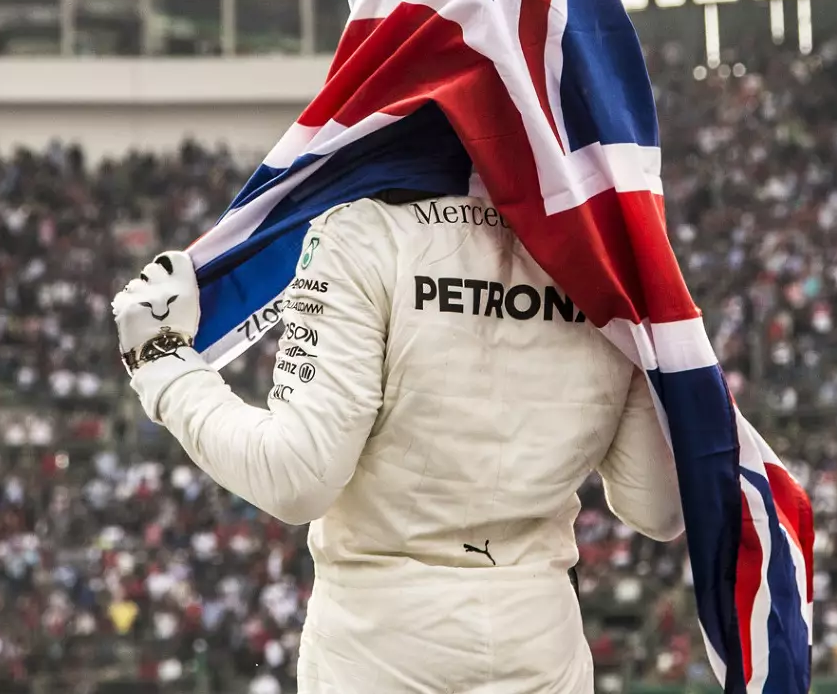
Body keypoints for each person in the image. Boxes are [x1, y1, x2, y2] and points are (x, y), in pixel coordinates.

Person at [113, 192, 685, 694]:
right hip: (537, 637)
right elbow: (658, 507)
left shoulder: (365, 232)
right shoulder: (613, 253)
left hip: (379, 641)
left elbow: (295, 477)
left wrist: (164, 367)